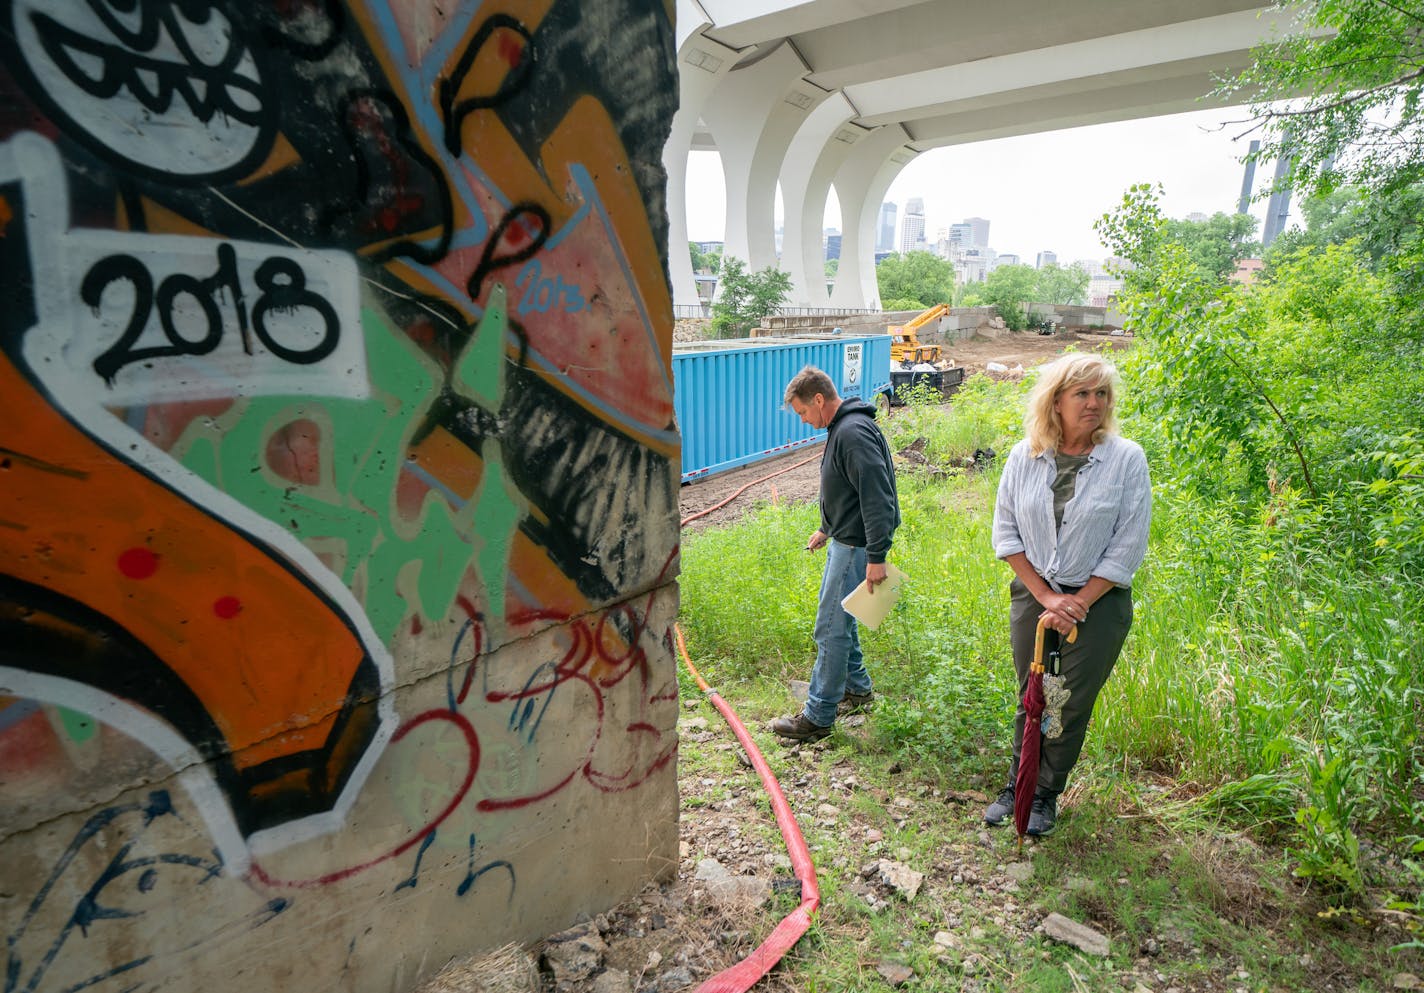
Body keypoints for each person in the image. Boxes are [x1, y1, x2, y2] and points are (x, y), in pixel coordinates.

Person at [985, 353, 1151, 836]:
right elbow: (1007, 532)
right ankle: (1018, 782)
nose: (1094, 403)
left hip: (1098, 605)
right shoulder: (1025, 455)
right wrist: (1044, 595)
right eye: (1082, 393)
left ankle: (1044, 794)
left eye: (1102, 394)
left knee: (1069, 700)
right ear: (1055, 402)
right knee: (1032, 694)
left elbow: (1128, 542)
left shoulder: (1126, 459)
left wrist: (1077, 602)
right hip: (1034, 595)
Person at [771, 366, 901, 743]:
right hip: (845, 538)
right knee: (843, 621)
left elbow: (877, 496)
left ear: (818, 399)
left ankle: (818, 716)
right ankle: (857, 689)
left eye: (802, 412)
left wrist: (877, 556)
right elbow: (848, 489)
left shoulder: (852, 432)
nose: (803, 420)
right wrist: (827, 527)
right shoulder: (844, 428)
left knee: (829, 628)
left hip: (856, 546)